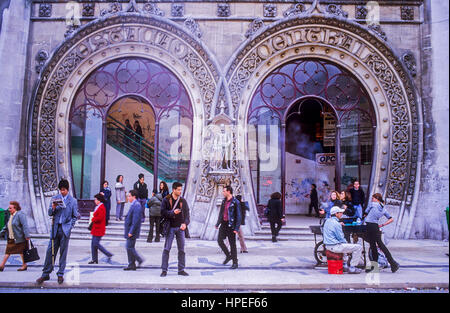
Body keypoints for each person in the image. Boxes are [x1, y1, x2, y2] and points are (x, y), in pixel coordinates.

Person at [36, 179, 78, 285]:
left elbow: (75, 216)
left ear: (67, 190)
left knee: (63, 253)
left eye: (64, 190)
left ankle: (60, 274)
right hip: (55, 229)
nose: (62, 192)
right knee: (50, 251)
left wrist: (70, 226)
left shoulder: (73, 201)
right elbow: (50, 213)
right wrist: (53, 208)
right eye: (60, 190)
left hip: (65, 230)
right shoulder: (55, 199)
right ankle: (46, 273)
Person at [363, 193, 400, 273]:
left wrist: (364, 216)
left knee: (374, 246)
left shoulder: (373, 204)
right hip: (375, 226)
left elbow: (365, 213)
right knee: (378, 245)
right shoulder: (383, 208)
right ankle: (390, 264)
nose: (372, 200)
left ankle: (393, 263)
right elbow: (391, 219)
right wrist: (383, 224)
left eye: (373, 198)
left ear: (376, 199)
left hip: (369, 226)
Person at [160, 182, 190, 277]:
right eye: (178, 190)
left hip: (180, 228)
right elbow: (162, 212)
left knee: (181, 250)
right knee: (167, 249)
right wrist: (172, 213)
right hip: (170, 228)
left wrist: (185, 223)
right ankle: (164, 270)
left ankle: (181, 269)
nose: (180, 191)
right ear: (173, 190)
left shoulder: (183, 201)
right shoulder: (166, 199)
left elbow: (187, 214)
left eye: (181, 189)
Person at [322, 206, 363, 274]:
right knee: (358, 247)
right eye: (340, 213)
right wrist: (347, 247)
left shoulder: (327, 221)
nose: (341, 214)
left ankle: (344, 265)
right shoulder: (336, 224)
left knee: (344, 246)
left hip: (327, 245)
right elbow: (341, 238)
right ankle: (352, 267)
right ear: (336, 214)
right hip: (335, 246)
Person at [215, 186, 241, 269]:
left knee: (232, 244)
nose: (223, 192)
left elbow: (239, 216)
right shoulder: (224, 201)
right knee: (219, 240)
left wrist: (236, 228)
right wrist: (218, 223)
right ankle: (228, 255)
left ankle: (235, 263)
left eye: (224, 191)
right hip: (224, 224)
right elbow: (221, 213)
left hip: (231, 225)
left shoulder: (235, 202)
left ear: (228, 192)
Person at [0, 201, 30, 272]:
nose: (9, 209)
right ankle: (2, 266)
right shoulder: (11, 215)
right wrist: (1, 233)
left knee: (21, 252)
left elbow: (25, 225)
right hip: (11, 237)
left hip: (19, 237)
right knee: (8, 252)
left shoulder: (20, 214)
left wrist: (27, 235)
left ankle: (24, 265)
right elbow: (7, 226)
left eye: (10, 208)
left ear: (15, 208)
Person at [123, 190, 145, 271]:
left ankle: (139, 260)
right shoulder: (133, 204)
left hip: (132, 231)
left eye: (129, 196)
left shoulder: (137, 205)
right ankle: (131, 264)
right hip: (130, 230)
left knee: (129, 247)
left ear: (133, 197)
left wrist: (131, 231)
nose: (128, 198)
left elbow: (135, 221)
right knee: (129, 247)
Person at [89, 193, 113, 264]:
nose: (95, 201)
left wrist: (93, 219)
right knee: (93, 244)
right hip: (96, 228)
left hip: (99, 228)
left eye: (95, 199)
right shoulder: (98, 206)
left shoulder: (102, 207)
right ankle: (94, 259)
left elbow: (100, 218)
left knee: (96, 244)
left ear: (99, 200)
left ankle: (108, 254)